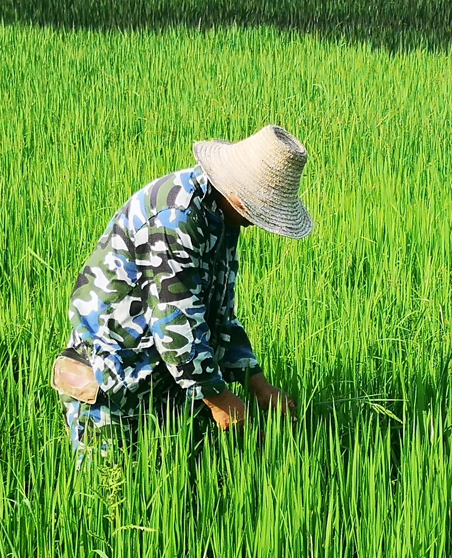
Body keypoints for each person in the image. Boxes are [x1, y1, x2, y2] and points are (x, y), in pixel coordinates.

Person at [52, 125, 312, 460]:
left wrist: (257, 384)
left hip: (160, 376)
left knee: (170, 481)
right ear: (238, 195)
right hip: (110, 377)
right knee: (111, 493)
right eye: (259, 213)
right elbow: (177, 319)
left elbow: (219, 313)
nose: (258, 223)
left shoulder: (222, 216)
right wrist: (217, 398)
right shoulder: (176, 216)